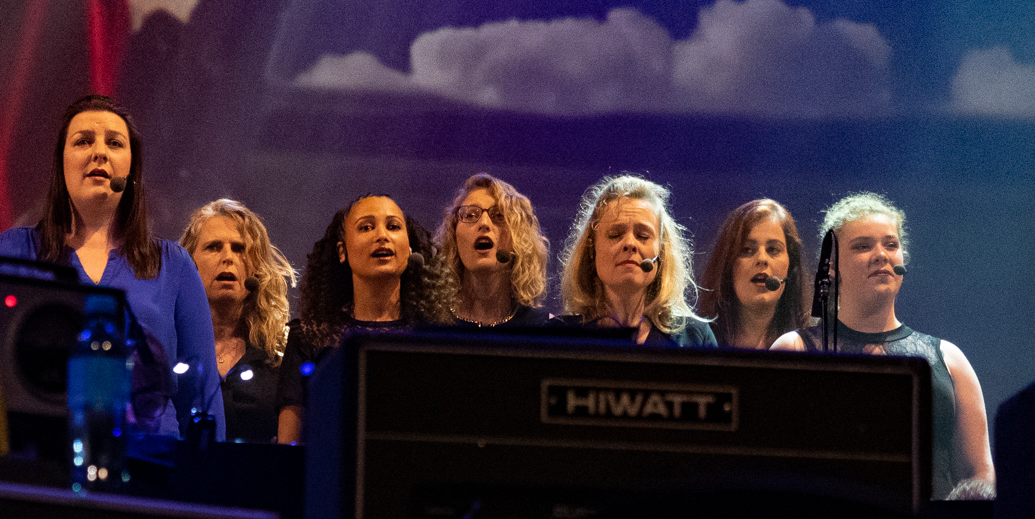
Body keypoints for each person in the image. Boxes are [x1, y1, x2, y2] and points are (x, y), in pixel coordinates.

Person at [0, 95, 222, 441]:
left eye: (114, 143)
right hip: (40, 449)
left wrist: (212, 467)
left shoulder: (174, 265)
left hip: (152, 459)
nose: (99, 152)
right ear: (61, 164)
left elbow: (202, 394)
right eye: (83, 141)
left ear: (131, 170)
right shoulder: (12, 251)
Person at [771, 192, 993, 499]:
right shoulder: (794, 350)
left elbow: (980, 475)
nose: (881, 255)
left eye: (891, 244)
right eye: (862, 246)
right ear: (831, 267)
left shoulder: (949, 359)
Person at [278, 194, 453, 445]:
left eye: (393, 226)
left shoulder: (434, 335)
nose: (382, 236)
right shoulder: (309, 337)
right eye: (366, 227)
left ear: (409, 249)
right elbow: (288, 447)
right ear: (342, 251)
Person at [549, 175, 713, 347]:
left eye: (643, 235)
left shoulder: (695, 337)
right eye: (615, 235)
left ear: (661, 252)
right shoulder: (558, 336)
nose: (630, 243)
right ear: (592, 248)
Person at [181, 198, 295, 443]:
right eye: (213, 247)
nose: (228, 257)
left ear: (256, 269)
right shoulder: (171, 347)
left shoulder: (282, 355)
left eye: (239, 249)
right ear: (189, 262)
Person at [433, 173, 550, 328]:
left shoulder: (543, 328)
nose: (484, 223)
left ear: (520, 239)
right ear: (453, 236)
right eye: (470, 215)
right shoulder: (429, 325)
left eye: (499, 216)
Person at [699, 198, 808, 350]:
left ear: (791, 267)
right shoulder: (697, 340)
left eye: (773, 249)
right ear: (727, 264)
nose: (762, 259)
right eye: (747, 250)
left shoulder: (812, 344)